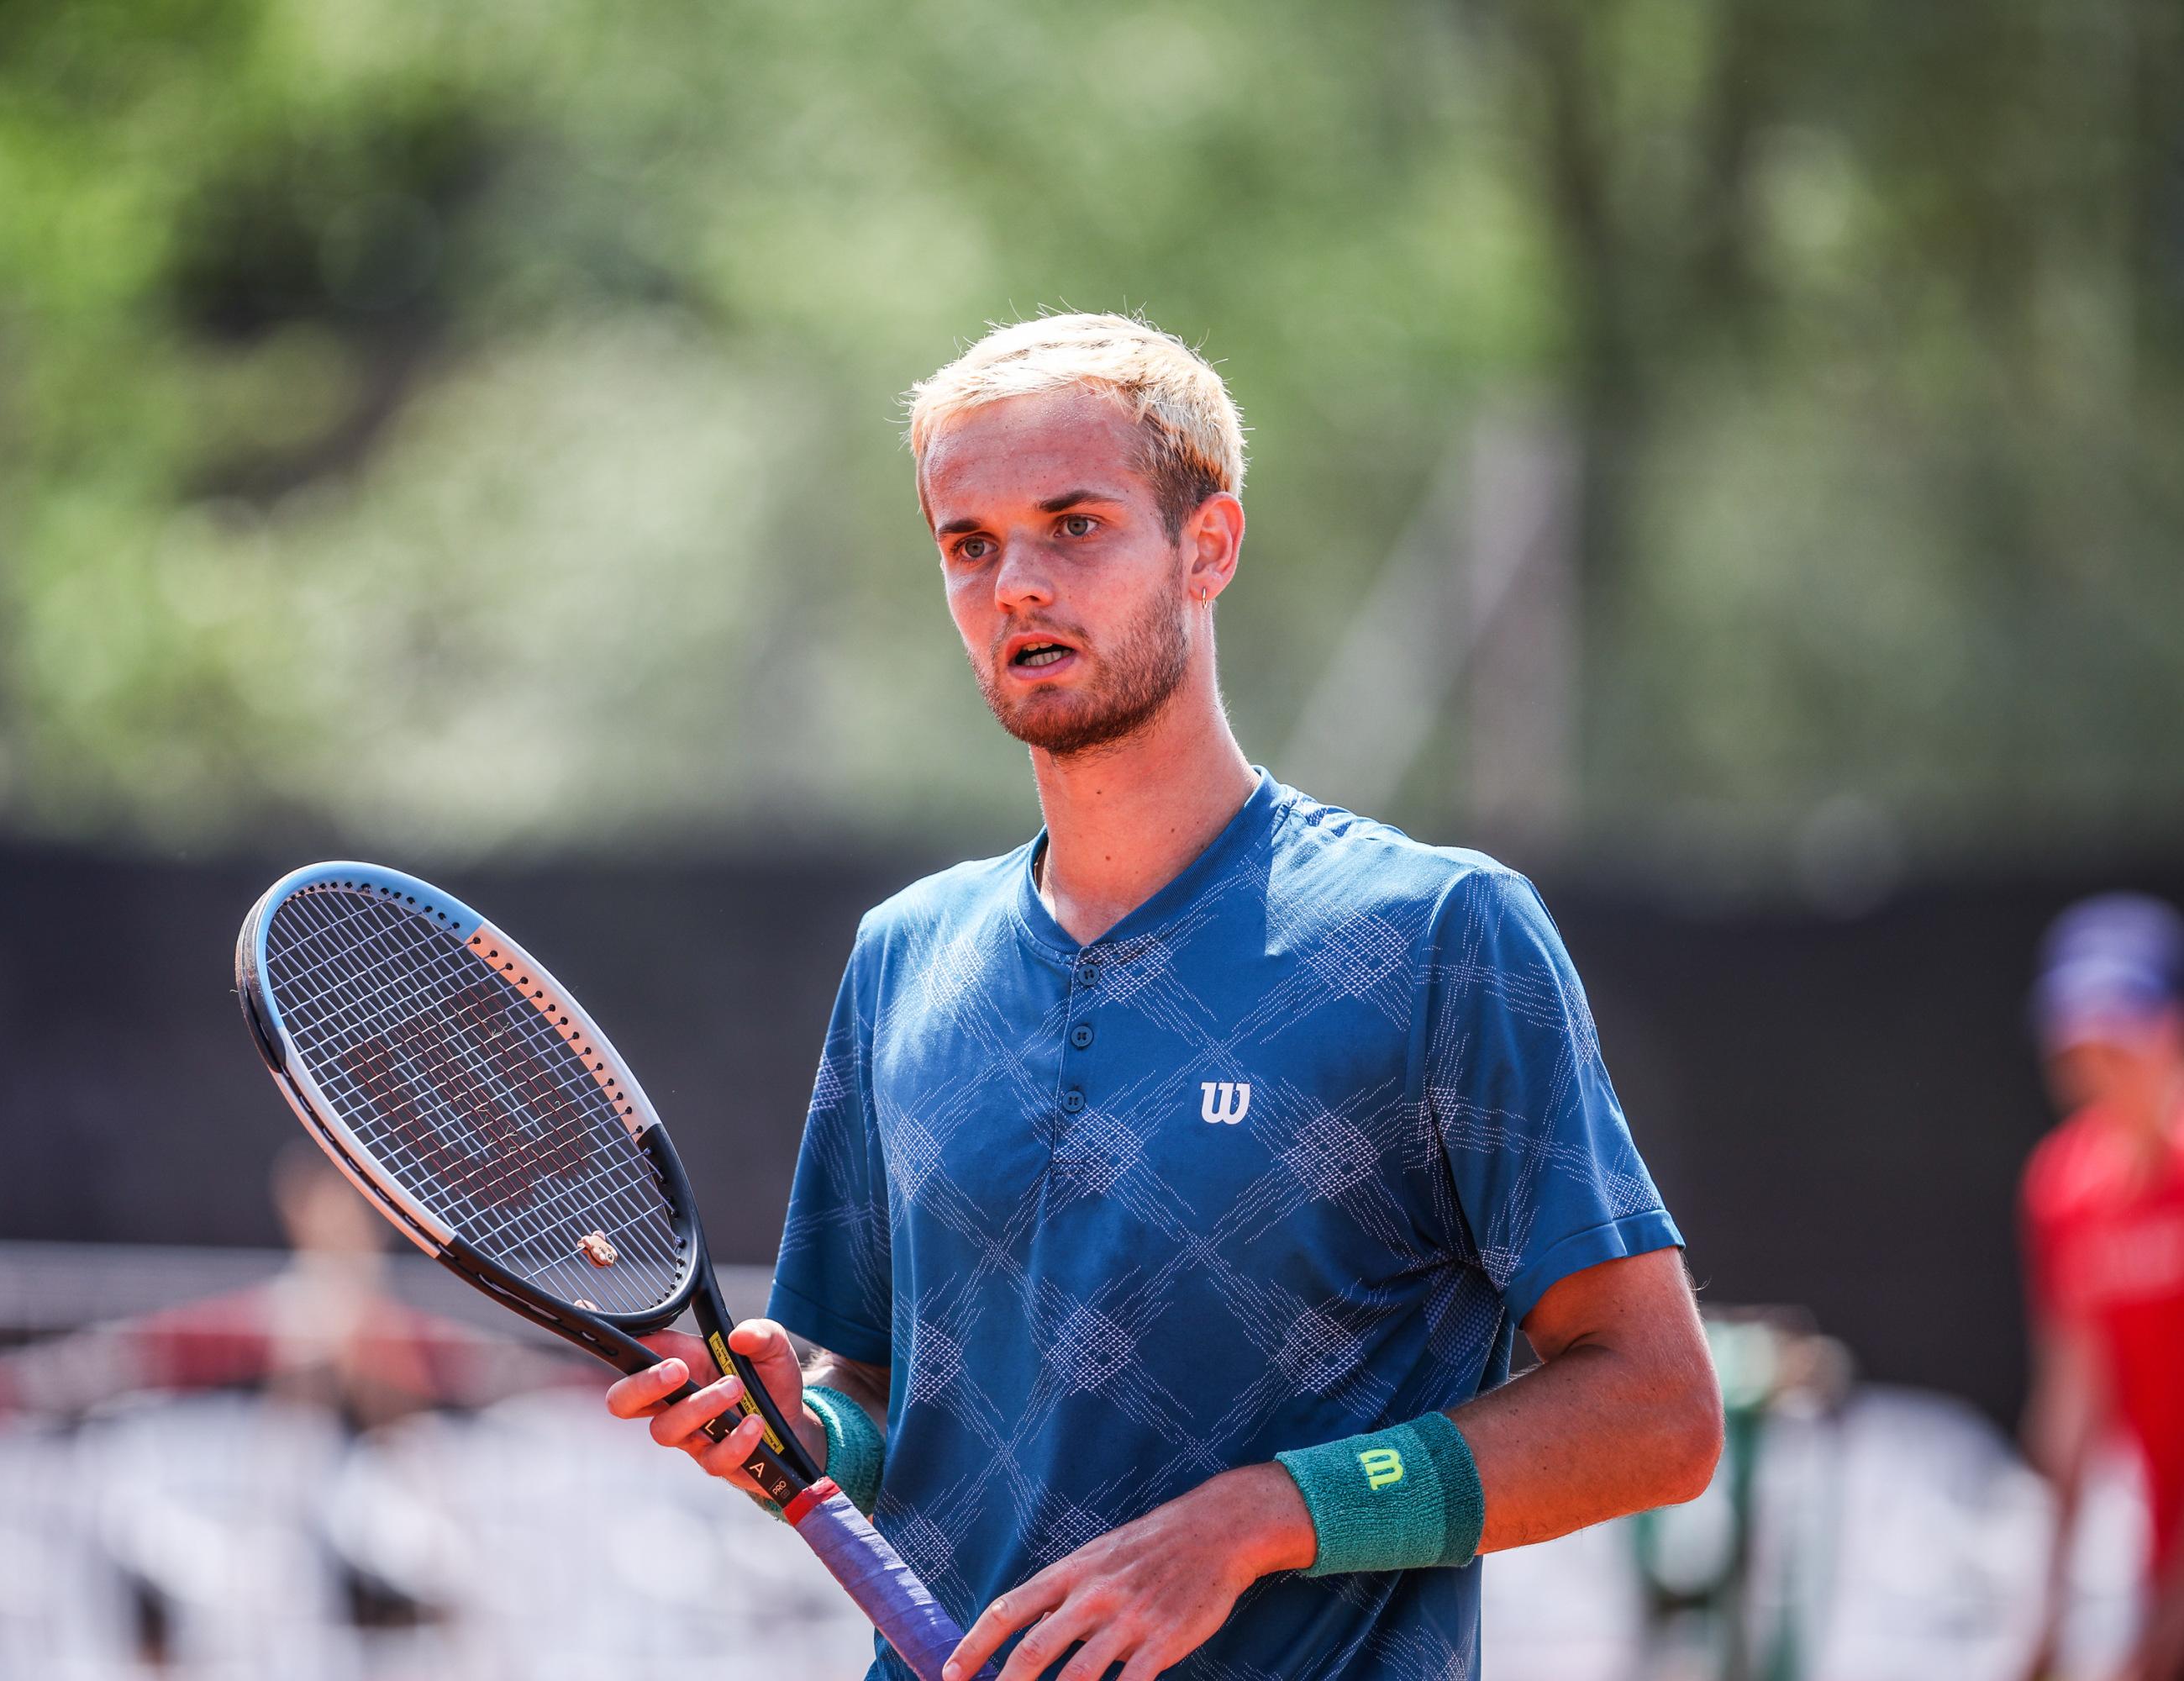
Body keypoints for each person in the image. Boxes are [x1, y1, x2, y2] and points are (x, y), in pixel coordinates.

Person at [604, 313, 1721, 1680]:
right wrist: (808, 1432)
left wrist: (1259, 1520)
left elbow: (1658, 1413)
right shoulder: (904, 955)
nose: (1015, 582)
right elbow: (887, 1408)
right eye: (969, 543)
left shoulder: (1438, 935)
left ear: (1210, 547)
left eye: (1074, 525)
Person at [2020, 894, 2184, 1681]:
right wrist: (2048, 1601)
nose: (2099, 1072)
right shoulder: (2065, 1186)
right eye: (2081, 1051)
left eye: (2120, 1043)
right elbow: (2075, 1397)